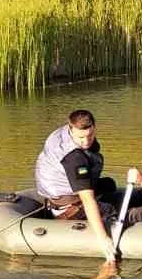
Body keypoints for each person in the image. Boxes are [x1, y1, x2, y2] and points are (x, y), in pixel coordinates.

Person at [33, 108, 123, 262]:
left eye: (90, 135)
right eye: (81, 137)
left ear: (95, 127)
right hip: (67, 204)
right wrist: (103, 239)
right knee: (115, 209)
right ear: (71, 129)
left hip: (62, 187)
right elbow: (88, 200)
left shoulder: (63, 133)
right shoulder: (75, 158)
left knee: (109, 184)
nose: (86, 141)